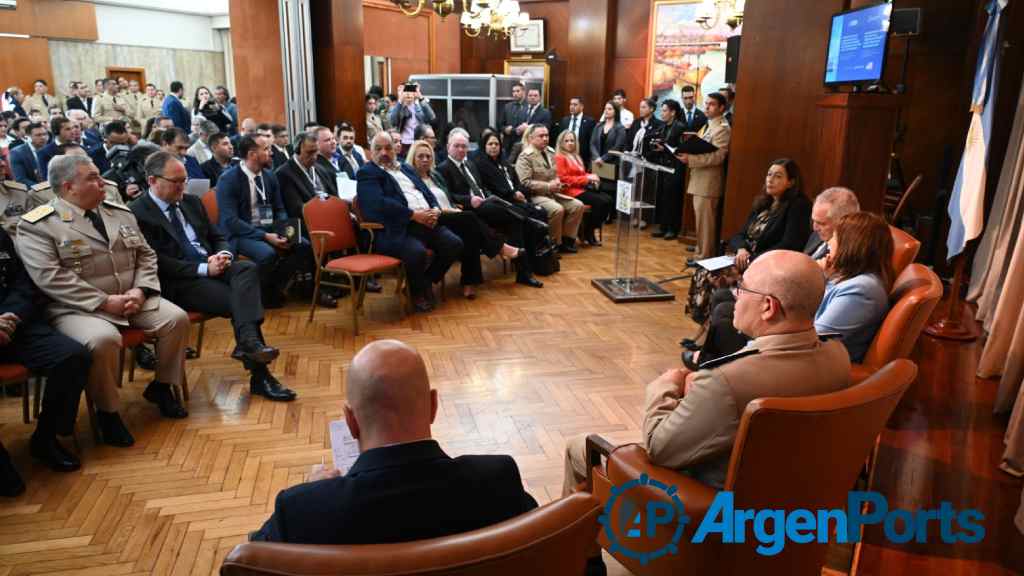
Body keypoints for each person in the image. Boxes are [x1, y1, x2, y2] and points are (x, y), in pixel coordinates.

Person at [563, 250, 850, 572]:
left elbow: (660, 448)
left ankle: (579, 562)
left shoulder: (729, 382)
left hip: (706, 515)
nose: (735, 295)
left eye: (743, 288)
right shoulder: (838, 355)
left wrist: (664, 386)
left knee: (579, 447)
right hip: (796, 504)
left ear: (768, 306)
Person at [251, 339, 538, 544]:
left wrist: (316, 488)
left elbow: (244, 563)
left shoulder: (303, 508)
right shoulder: (498, 480)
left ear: (351, 422)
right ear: (433, 406)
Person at [16, 155, 192, 447]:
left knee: (176, 319)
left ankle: (162, 386)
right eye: (94, 178)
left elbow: (146, 255)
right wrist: (103, 301)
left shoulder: (117, 212)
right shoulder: (39, 224)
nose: (103, 183)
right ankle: (108, 413)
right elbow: (49, 277)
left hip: (130, 298)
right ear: (69, 186)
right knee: (103, 340)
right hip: (76, 308)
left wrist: (140, 290)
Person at [131, 151, 297, 401]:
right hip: (180, 281)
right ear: (153, 181)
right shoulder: (137, 212)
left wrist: (223, 255)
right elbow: (157, 262)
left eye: (184, 180)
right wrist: (203, 269)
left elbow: (218, 235)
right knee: (239, 300)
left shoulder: (191, 202)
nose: (182, 187)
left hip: (211, 265)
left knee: (246, 268)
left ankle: (249, 345)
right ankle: (259, 373)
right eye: (176, 181)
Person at [690, 211, 892, 368]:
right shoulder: (852, 277)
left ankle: (711, 368)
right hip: (803, 347)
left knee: (727, 313)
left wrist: (817, 275)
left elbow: (816, 336)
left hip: (809, 362)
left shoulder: (863, 290)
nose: (828, 243)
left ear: (852, 245)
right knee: (727, 300)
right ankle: (710, 363)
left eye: (835, 237)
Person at [0, 227, 91, 494]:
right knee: (12, 488)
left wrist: (11, 316)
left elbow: (21, 283)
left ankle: (46, 437)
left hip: (13, 324)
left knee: (73, 357)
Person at [408, 139, 533, 297]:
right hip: (434, 216)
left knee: (471, 232)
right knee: (470, 219)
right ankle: (501, 249)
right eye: (420, 156)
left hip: (452, 212)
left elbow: (449, 197)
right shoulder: (411, 179)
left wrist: (454, 208)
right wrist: (455, 208)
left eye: (428, 156)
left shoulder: (435, 176)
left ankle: (469, 282)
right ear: (412, 158)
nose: (425, 160)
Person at [356, 132, 462, 313]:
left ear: (395, 149)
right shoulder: (367, 173)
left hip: (426, 222)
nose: (384, 152)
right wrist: (413, 215)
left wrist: (435, 209)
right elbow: (378, 204)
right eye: (378, 148)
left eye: (388, 148)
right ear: (371, 152)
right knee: (417, 253)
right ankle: (417, 293)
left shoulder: (405, 168)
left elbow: (426, 191)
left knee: (454, 244)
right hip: (394, 229)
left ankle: (425, 282)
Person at [216, 135, 308, 308]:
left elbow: (280, 208)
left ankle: (273, 288)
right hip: (240, 233)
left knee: (302, 245)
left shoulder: (269, 176)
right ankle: (262, 295)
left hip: (269, 228)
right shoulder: (228, 179)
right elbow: (231, 221)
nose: (271, 153)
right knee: (268, 255)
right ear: (252, 154)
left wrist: (283, 229)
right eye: (266, 149)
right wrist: (266, 236)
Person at [472, 131, 551, 271]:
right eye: (490, 144)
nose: (494, 147)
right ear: (484, 146)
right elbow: (495, 187)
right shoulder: (482, 164)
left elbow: (518, 182)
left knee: (541, 212)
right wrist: (514, 194)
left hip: (517, 199)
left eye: (496, 144)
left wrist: (520, 191)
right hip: (503, 202)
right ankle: (528, 258)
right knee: (526, 216)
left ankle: (539, 255)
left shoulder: (504, 162)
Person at [725, 158, 812, 270]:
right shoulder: (763, 203)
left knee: (712, 277)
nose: (770, 180)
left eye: (778, 176)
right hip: (745, 259)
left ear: (791, 182)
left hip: (769, 265)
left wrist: (752, 259)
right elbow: (739, 235)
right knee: (706, 272)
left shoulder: (799, 205)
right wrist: (741, 249)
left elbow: (789, 244)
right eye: (769, 174)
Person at [680, 91, 732, 260]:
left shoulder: (722, 128)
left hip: (709, 182)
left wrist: (691, 159)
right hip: (699, 179)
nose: (707, 106)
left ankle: (704, 257)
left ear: (722, 107)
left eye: (711, 104)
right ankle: (699, 253)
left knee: (706, 224)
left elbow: (718, 156)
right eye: (706, 103)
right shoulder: (708, 124)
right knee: (701, 222)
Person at [516, 124, 583, 254]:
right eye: (541, 136)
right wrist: (548, 186)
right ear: (531, 138)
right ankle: (552, 245)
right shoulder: (525, 156)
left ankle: (567, 240)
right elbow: (524, 183)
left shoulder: (550, 152)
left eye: (547, 135)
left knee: (577, 205)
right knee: (557, 209)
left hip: (553, 193)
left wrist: (557, 182)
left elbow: (555, 174)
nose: (545, 138)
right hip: (535, 195)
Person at [555, 129, 611, 246]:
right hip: (569, 191)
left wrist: (591, 176)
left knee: (609, 200)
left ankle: (589, 230)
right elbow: (564, 180)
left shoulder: (576, 156)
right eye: (567, 141)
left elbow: (581, 174)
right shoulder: (560, 157)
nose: (570, 143)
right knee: (600, 202)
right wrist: (587, 179)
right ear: (561, 143)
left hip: (581, 189)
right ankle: (588, 232)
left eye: (572, 140)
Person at [277, 130, 337, 219]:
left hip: (330, 216)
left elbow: (334, 197)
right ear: (297, 150)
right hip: (308, 223)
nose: (314, 157)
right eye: (309, 152)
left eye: (316, 151)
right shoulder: (284, 174)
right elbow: (296, 209)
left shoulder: (321, 169)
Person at [651, 99, 685, 241]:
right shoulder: (663, 127)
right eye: (662, 110)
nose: (662, 113)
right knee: (663, 197)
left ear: (673, 112)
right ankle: (663, 226)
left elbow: (681, 149)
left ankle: (672, 228)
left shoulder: (680, 127)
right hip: (663, 166)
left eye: (665, 110)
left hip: (675, 167)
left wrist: (664, 148)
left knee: (673, 198)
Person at [806, 186, 860, 260]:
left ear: (844, 222)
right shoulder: (817, 236)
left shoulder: (851, 254)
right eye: (814, 220)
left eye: (822, 223)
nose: (814, 228)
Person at [388, 83, 435, 149]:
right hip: (403, 142)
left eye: (410, 91)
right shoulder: (396, 107)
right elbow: (393, 121)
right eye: (405, 91)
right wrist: (400, 100)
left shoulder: (420, 106)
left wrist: (420, 96)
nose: (408, 94)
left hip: (418, 141)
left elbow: (431, 117)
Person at [557, 97, 596, 168]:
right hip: (565, 157)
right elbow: (560, 139)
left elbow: (591, 142)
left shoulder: (589, 122)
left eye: (575, 105)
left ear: (582, 107)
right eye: (571, 104)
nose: (572, 107)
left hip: (582, 158)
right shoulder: (564, 120)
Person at [9, 121, 47, 187]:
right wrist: (41, 188)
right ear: (28, 137)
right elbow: (21, 179)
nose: (43, 137)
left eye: (44, 134)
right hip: (33, 191)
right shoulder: (17, 153)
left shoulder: (51, 149)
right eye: (38, 135)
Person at [499, 82, 529, 156]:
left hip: (522, 143)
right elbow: (500, 124)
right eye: (513, 91)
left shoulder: (529, 107)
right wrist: (505, 129)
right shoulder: (507, 107)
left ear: (524, 92)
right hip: (508, 144)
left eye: (518, 91)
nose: (515, 93)